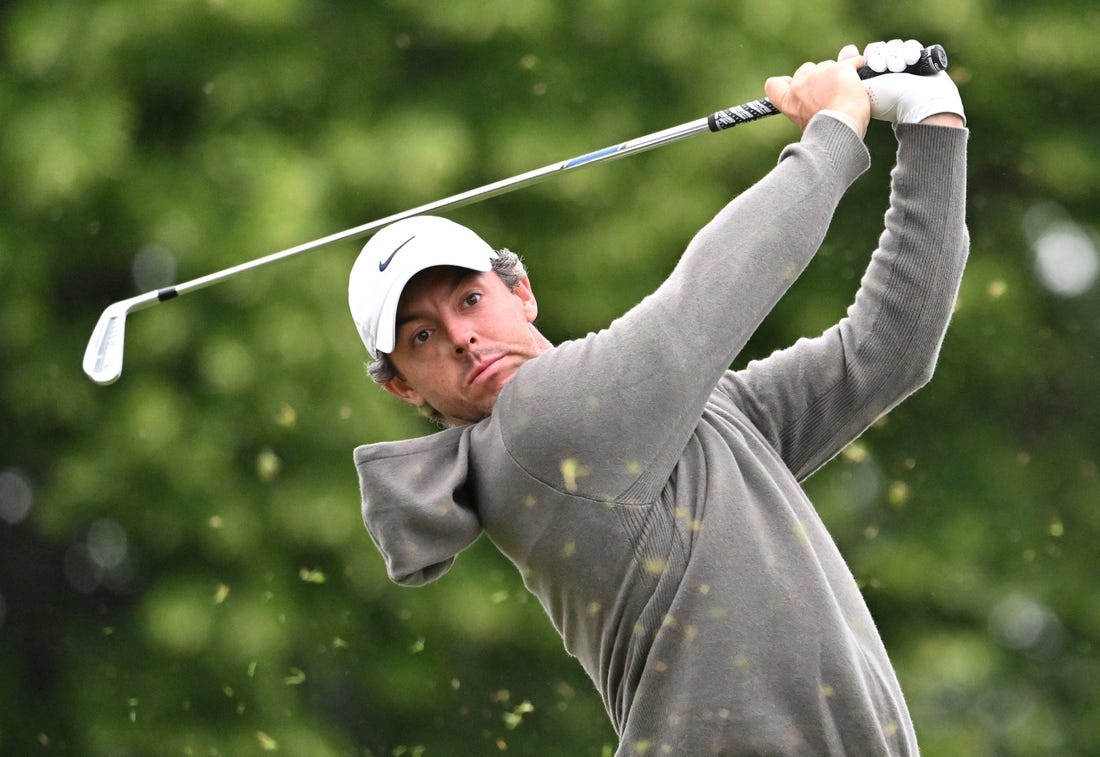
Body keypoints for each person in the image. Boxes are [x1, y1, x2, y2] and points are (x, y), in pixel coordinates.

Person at [348, 39, 968, 755]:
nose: (461, 337)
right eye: (421, 337)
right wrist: (832, 130)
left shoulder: (703, 420)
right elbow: (702, 303)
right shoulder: (532, 434)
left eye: (469, 298)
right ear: (401, 386)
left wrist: (931, 121)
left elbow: (889, 350)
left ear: (521, 292)